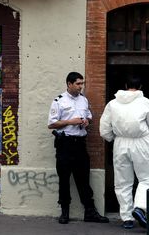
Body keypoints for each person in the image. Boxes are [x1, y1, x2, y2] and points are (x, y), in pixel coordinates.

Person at [48, 71, 109, 224]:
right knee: (64, 179)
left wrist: (87, 121)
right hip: (65, 145)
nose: (81, 87)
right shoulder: (59, 100)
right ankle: (64, 213)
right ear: (69, 84)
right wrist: (70, 121)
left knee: (83, 179)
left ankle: (90, 212)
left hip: (80, 144)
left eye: (82, 83)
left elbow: (88, 115)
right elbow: (51, 124)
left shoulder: (83, 100)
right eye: (78, 84)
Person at [99, 75, 149, 229]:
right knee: (148, 178)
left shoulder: (112, 104)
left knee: (122, 182)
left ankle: (127, 218)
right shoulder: (145, 102)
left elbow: (104, 130)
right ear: (140, 87)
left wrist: (114, 138)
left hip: (120, 143)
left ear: (125, 85)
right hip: (141, 142)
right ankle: (140, 207)